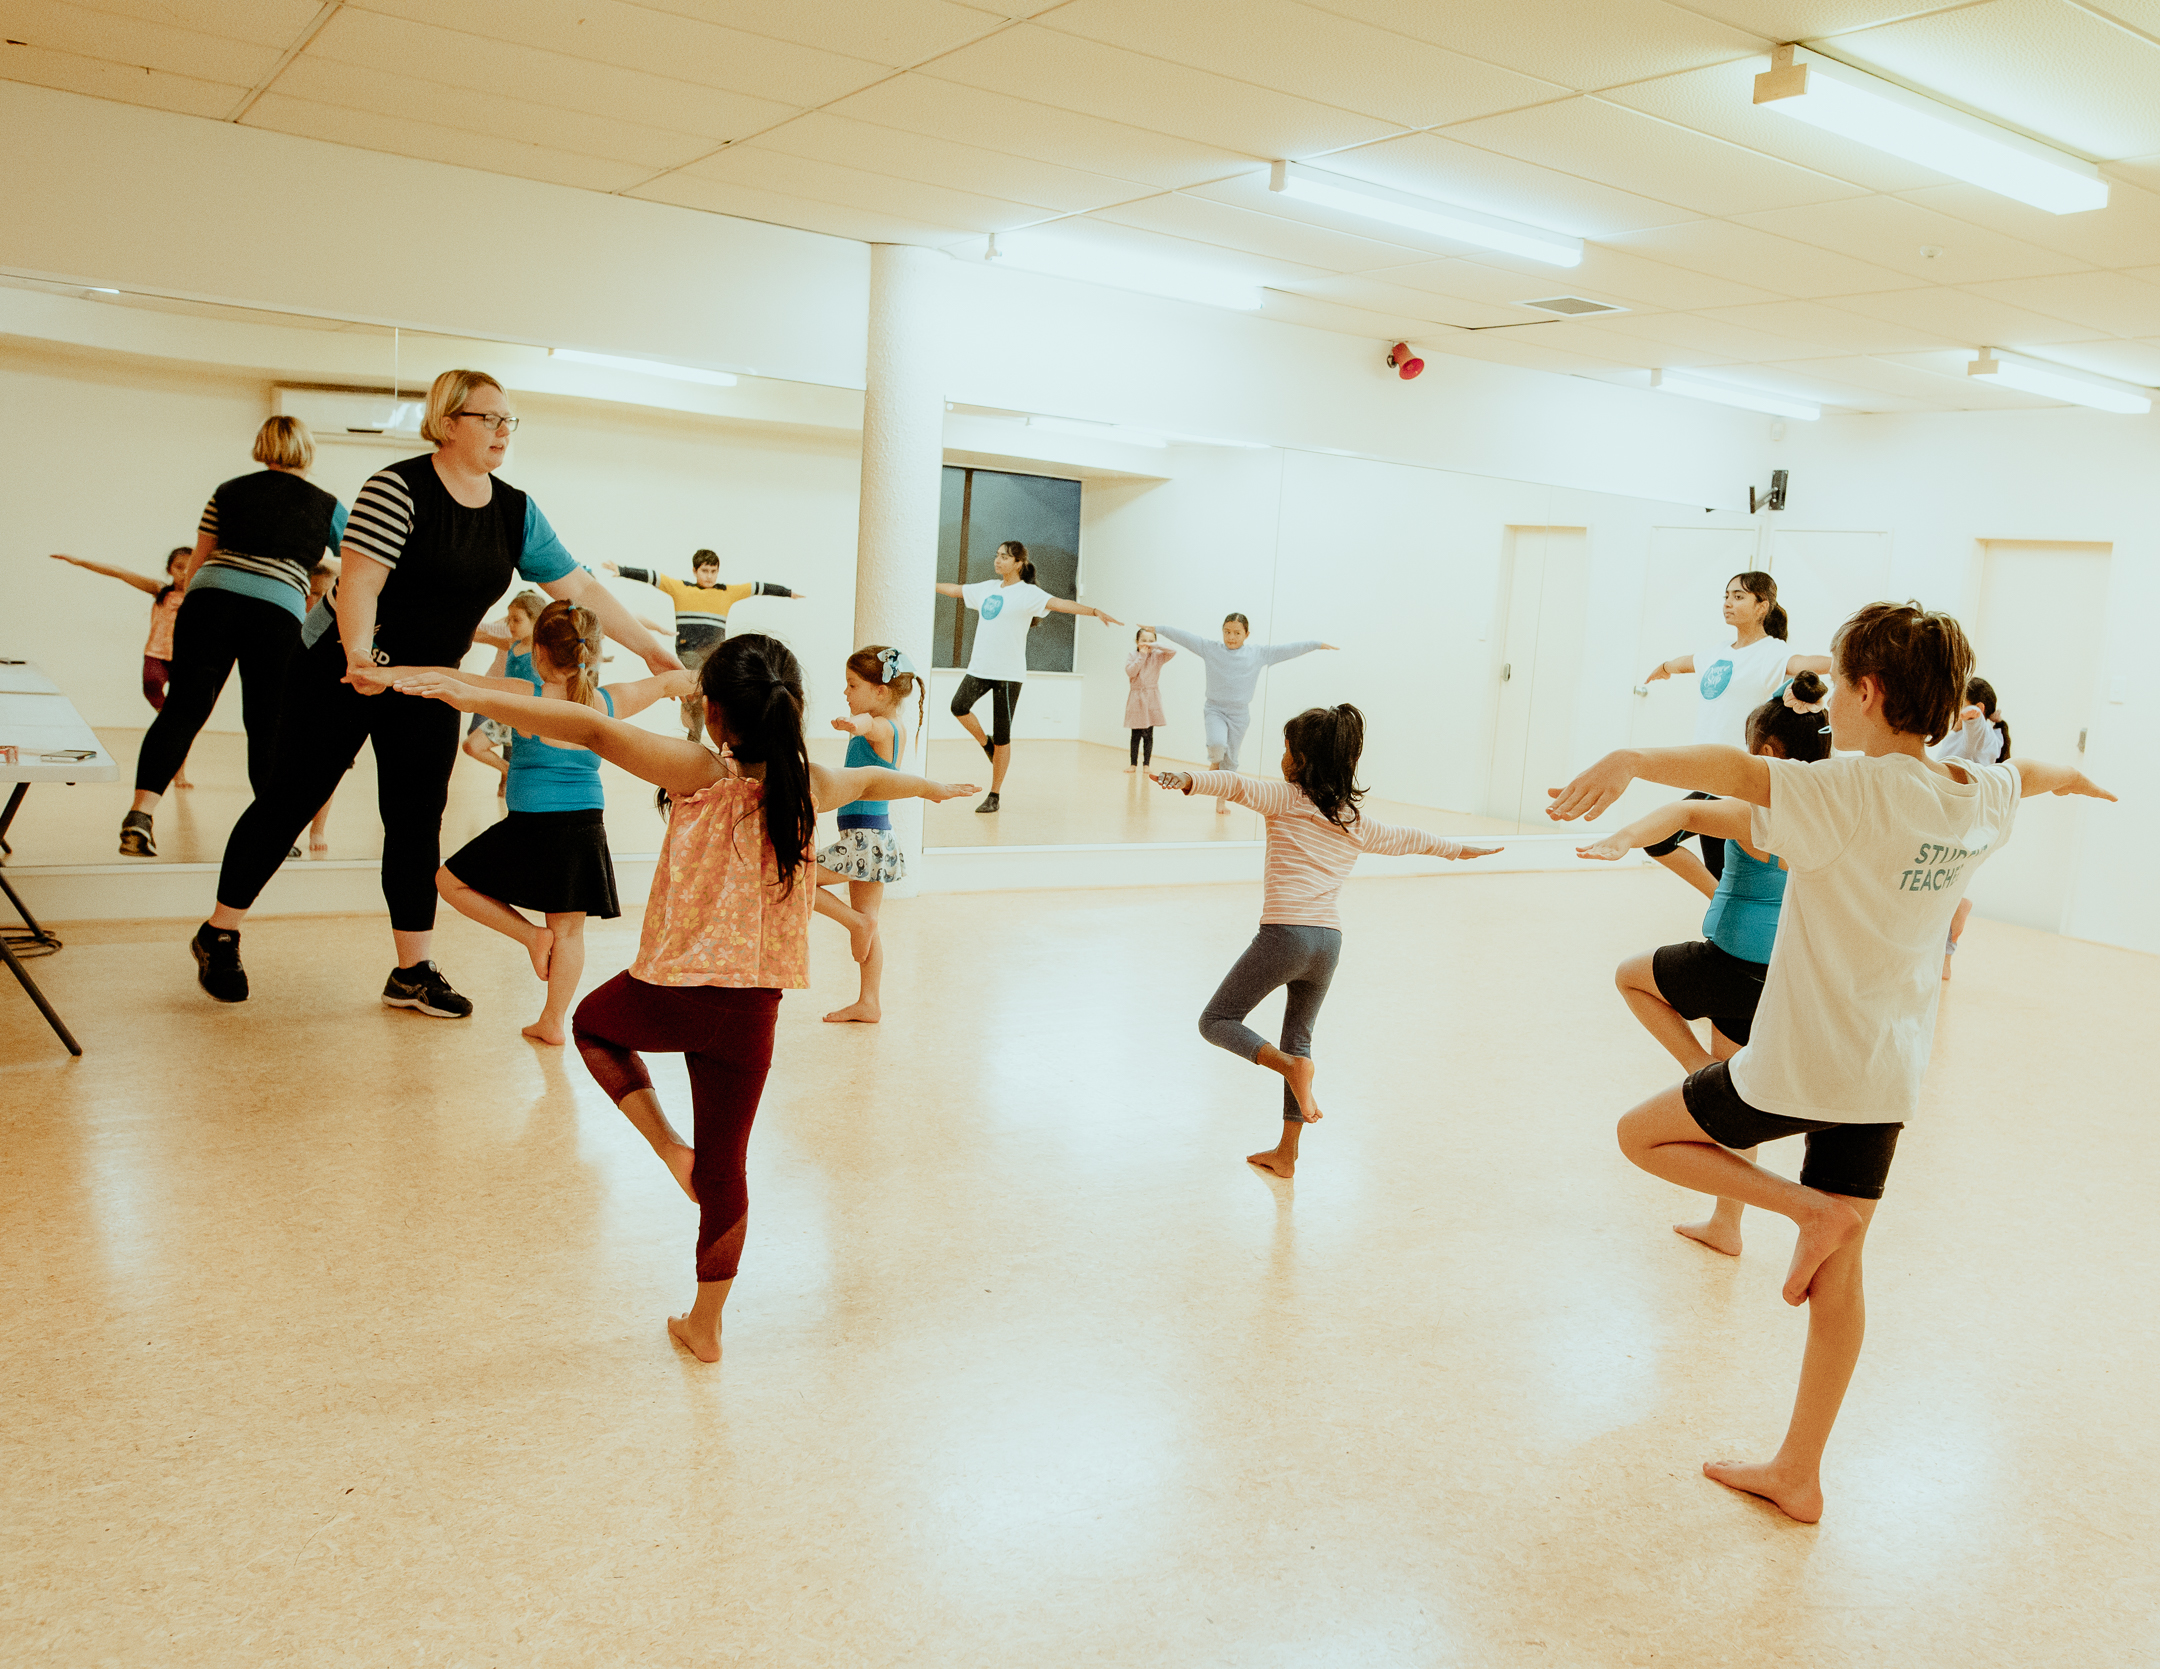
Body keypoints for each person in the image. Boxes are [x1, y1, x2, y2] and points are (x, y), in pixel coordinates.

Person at [1547, 600, 2114, 1524]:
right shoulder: (1978, 793)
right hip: (1887, 1072)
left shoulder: (1852, 790)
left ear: (1871, 690)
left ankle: (1799, 1209)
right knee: (1843, 1271)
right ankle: (1800, 1471)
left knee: (1640, 1135)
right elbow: (2034, 773)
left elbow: (1742, 773)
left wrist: (1635, 758)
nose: (1827, 706)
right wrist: (2081, 777)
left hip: (1796, 1065)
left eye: (1839, 684)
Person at [391, 634, 977, 1362]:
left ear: (718, 714)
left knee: (590, 1025)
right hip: (754, 1012)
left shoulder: (699, 772)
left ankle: (671, 1149)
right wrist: (925, 788)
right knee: (727, 1168)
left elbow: (595, 728)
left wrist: (472, 694)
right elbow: (871, 785)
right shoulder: (811, 781)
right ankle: (707, 1325)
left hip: (675, 991)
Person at [192, 368, 678, 1015]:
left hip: (432, 683)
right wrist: (361, 655)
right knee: (290, 799)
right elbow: (360, 582)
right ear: (449, 422)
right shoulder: (397, 490)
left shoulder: (515, 511)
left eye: (511, 421)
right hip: (342, 665)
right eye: (491, 419)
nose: (505, 431)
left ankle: (412, 970)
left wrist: (649, 649)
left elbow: (581, 588)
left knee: (417, 819)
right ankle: (219, 929)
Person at [1153, 704, 1499, 1177]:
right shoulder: (1354, 821)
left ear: (1299, 760)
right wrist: (1459, 849)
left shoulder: (1285, 798)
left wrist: (1184, 781)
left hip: (1285, 936)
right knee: (1299, 1038)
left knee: (1216, 1020)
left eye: (1286, 748)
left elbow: (1232, 784)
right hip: (1328, 945)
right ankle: (1287, 1153)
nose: (1282, 756)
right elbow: (1409, 838)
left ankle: (1289, 1068)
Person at [1574, 673, 1830, 1256]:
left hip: (1727, 960)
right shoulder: (1827, 811)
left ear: (1765, 752)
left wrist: (1624, 839)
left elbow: (1670, 820)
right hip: (1776, 973)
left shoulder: (1747, 809)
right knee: (1735, 1101)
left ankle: (1697, 1070)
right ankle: (1727, 1224)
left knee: (1631, 978)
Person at [384, 602, 691, 1045]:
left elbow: (461, 681)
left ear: (539, 653)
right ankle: (552, 1021)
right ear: (592, 653)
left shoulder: (522, 693)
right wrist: (697, 686)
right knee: (569, 931)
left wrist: (389, 674)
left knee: (448, 880)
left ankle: (530, 937)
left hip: (531, 825)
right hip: (585, 824)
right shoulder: (607, 702)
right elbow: (667, 682)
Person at [111, 420, 352, 857]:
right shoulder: (327, 504)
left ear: (263, 447)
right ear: (307, 450)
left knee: (183, 709)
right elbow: (357, 560)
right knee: (266, 724)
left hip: (209, 603)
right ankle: (272, 831)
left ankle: (140, 815)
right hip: (275, 612)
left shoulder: (228, 490)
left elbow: (199, 560)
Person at [1641, 571, 1832, 886]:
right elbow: (1687, 662)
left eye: (1739, 596)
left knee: (1661, 839)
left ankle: (1724, 914)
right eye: (1726, 596)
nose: (1728, 603)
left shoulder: (1773, 653)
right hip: (1707, 775)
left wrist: (1846, 664)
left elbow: (1806, 662)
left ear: (1762, 607)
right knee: (1719, 867)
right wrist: (1664, 668)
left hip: (1737, 777)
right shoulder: (1717, 653)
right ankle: (1726, 915)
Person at [935, 539, 1120, 813]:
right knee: (958, 707)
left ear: (1019, 563)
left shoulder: (1029, 594)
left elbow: (1060, 604)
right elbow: (954, 590)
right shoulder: (986, 588)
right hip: (980, 668)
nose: (998, 561)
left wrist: (1093, 611)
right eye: (997, 556)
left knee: (1003, 735)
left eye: (1005, 558)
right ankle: (986, 744)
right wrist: (926, 582)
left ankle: (994, 793)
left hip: (1008, 674)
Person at [810, 646, 922, 1025]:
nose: (846, 692)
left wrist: (852, 724)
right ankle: (869, 1002)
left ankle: (855, 924)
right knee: (869, 916)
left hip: (864, 840)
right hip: (875, 837)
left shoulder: (886, 727)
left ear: (881, 692)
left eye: (852, 685)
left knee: (797, 880)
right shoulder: (891, 726)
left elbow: (870, 727)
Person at [1138, 614, 1336, 815]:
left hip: (1239, 715)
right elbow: (1186, 638)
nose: (1231, 637)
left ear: (1246, 634)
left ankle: (1221, 802)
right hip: (1215, 709)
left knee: (1231, 761)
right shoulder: (1211, 648)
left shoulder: (1257, 653)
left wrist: (1316, 644)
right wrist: (1158, 628)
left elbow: (1287, 650)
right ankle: (1214, 762)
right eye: (1227, 632)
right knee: (1216, 743)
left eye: (1237, 633)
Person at [601, 552, 805, 743]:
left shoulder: (727, 592)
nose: (709, 576)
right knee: (695, 696)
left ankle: (728, 743)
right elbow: (654, 577)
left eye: (713, 571)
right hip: (688, 654)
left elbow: (757, 587)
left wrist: (788, 593)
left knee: (721, 699)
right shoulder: (681, 588)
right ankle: (693, 740)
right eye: (704, 571)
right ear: (694, 571)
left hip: (716, 656)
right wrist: (621, 570)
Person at [47, 544, 196, 796]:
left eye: (189, 568)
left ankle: (180, 772)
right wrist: (80, 561)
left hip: (184, 660)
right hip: (156, 655)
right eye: (178, 567)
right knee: (151, 684)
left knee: (179, 723)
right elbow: (119, 572)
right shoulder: (160, 590)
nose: (183, 573)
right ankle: (166, 714)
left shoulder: (200, 596)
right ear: (169, 569)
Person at [1931, 677, 2010, 977]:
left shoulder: (1982, 735)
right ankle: (1955, 914)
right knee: (1942, 885)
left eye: (1956, 703)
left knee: (1942, 886)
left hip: (1958, 817)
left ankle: (1946, 954)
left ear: (1976, 708)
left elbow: (1976, 733)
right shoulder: (1963, 735)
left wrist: (1971, 716)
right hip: (1948, 814)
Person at [461, 591, 544, 796]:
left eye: (517, 620)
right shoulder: (511, 644)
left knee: (527, 759)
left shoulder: (543, 651)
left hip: (529, 717)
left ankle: (519, 785)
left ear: (535, 620)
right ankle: (509, 772)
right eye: (509, 620)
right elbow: (482, 635)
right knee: (472, 745)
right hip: (505, 714)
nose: (511, 625)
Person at [1124, 626, 1175, 772]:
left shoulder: (1158, 655)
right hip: (1136, 696)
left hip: (1151, 697)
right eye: (1143, 640)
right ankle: (1133, 764)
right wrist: (1142, 655)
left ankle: (1146, 764)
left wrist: (1155, 646)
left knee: (1148, 733)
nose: (1147, 643)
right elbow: (1131, 672)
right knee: (1136, 733)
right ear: (1137, 641)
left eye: (1151, 641)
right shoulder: (1133, 655)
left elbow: (1173, 651)